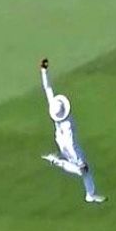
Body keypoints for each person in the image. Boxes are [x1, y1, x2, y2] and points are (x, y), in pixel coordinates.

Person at [38, 59, 107, 203]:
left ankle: (90, 192)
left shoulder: (53, 107)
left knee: (82, 169)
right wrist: (78, 159)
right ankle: (58, 162)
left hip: (60, 140)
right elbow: (71, 142)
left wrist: (44, 71)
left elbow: (48, 88)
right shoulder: (67, 123)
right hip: (69, 145)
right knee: (83, 170)